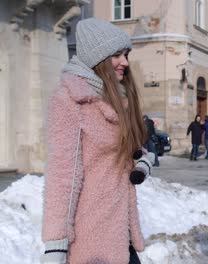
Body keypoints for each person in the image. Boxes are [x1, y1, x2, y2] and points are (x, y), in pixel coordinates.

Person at [41, 18, 154, 264]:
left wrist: (143, 159)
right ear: (98, 58)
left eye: (125, 54)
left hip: (120, 230)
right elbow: (63, 176)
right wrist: (56, 244)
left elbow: (127, 151)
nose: (124, 61)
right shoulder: (69, 101)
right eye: (116, 55)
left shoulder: (116, 96)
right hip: (90, 238)